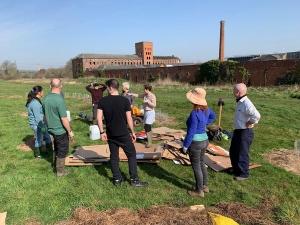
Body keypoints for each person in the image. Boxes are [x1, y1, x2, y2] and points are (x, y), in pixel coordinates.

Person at [97, 79, 148, 187]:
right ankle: (134, 180)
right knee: (131, 155)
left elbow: (99, 118)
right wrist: (133, 132)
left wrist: (102, 132)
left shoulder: (102, 101)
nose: (106, 89)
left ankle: (117, 179)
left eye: (107, 87)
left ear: (110, 87)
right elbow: (129, 119)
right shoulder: (125, 101)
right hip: (123, 133)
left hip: (110, 134)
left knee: (114, 156)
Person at [183, 87, 216, 197]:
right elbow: (213, 116)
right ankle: (205, 186)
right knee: (202, 163)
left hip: (195, 143)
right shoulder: (206, 109)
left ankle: (199, 191)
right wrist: (205, 123)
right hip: (204, 140)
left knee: (196, 166)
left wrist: (185, 146)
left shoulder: (194, 113)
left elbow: (191, 131)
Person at [229, 83, 260, 181]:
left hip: (245, 132)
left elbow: (257, 115)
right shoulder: (240, 102)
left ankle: (243, 174)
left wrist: (251, 122)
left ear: (238, 92)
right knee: (233, 151)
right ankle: (236, 169)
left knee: (242, 153)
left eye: (234, 90)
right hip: (238, 130)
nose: (233, 92)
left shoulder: (246, 103)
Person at [43, 78, 74, 176]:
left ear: (50, 86)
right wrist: (69, 131)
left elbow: (45, 116)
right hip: (60, 130)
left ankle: (55, 165)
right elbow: (64, 119)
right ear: (61, 86)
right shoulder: (59, 99)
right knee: (63, 149)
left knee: (56, 147)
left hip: (50, 129)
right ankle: (60, 171)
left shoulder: (45, 99)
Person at [25, 86, 52, 159]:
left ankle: (49, 152)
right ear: (39, 93)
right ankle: (38, 155)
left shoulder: (36, 101)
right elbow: (38, 118)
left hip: (40, 124)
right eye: (42, 91)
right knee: (39, 139)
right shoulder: (35, 103)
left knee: (47, 136)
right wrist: (43, 126)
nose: (43, 92)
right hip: (38, 125)